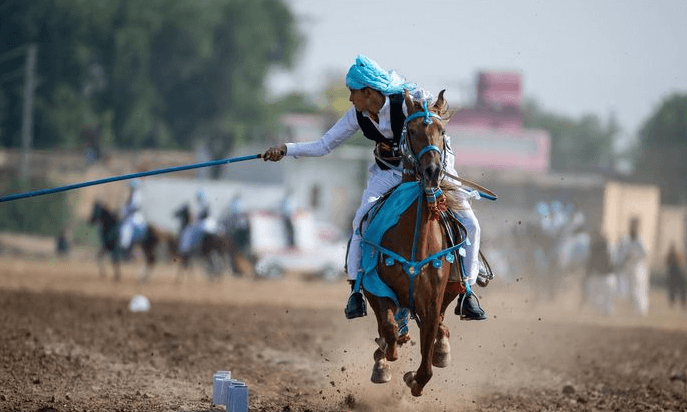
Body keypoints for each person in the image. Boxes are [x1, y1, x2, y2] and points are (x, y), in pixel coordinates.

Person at [262, 54, 487, 321]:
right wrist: (286, 149)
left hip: (434, 169)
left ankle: (467, 291)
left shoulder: (409, 102)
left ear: (368, 92)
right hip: (388, 173)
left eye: (352, 92)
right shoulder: (357, 115)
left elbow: (436, 132)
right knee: (361, 221)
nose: (350, 99)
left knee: (470, 223)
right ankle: (356, 289)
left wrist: (438, 172)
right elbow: (324, 145)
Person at [615, 217, 649, 315]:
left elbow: (645, 253)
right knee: (628, 290)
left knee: (638, 289)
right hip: (627, 269)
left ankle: (640, 311)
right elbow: (621, 254)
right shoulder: (625, 240)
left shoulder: (639, 240)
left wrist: (633, 256)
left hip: (637, 268)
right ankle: (630, 311)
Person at [583, 229, 617, 315]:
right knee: (595, 300)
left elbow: (613, 264)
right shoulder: (593, 250)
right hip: (596, 276)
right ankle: (597, 317)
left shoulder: (610, 249)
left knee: (607, 302)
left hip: (607, 277)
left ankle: (606, 317)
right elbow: (589, 264)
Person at [179, 188, 216, 255]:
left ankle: (186, 249)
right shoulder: (206, 203)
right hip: (210, 223)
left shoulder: (201, 204)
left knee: (187, 231)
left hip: (203, 224)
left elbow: (199, 216)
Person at [119, 179, 147, 258]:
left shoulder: (137, 195)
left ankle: (125, 248)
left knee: (127, 228)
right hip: (130, 216)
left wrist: (127, 210)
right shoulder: (132, 195)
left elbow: (135, 206)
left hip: (136, 217)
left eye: (131, 187)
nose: (130, 189)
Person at [666, 242, 686, 310]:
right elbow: (667, 263)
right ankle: (672, 304)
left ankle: (682, 304)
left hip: (679, 275)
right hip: (673, 275)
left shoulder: (679, 255)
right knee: (672, 291)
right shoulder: (670, 256)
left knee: (681, 290)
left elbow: (682, 263)